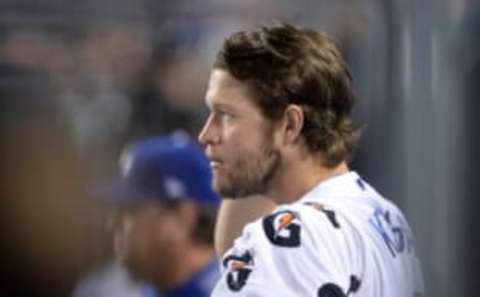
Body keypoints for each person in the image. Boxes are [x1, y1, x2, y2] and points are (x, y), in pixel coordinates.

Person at [198, 23, 424, 296]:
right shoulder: (386, 217)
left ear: (290, 125)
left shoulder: (289, 238)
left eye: (227, 115)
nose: (206, 134)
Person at [75, 132, 220, 297]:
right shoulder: (105, 290)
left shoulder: (244, 289)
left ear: (182, 217)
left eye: (130, 209)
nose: (113, 223)